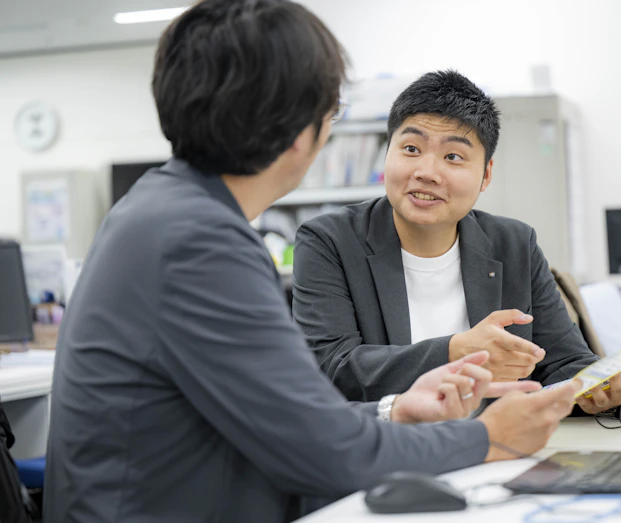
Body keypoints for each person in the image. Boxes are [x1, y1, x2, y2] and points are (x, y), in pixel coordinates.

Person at [42, 2, 581, 522]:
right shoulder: (200, 242)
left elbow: (285, 415)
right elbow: (325, 450)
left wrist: (394, 410)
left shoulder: (163, 209)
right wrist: (489, 436)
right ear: (302, 129)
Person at [293, 70, 621, 414]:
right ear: (388, 153)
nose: (427, 172)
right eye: (411, 149)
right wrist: (455, 351)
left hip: (498, 442)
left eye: (453, 156)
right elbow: (332, 369)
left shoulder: (514, 244)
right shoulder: (329, 242)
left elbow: (565, 361)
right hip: (388, 443)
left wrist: (597, 387)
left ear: (485, 175)